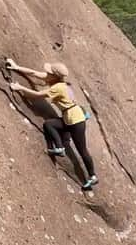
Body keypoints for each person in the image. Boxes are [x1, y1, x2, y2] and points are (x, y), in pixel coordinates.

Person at [6, 57, 98, 191]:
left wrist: (19, 87)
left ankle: (92, 176)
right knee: (49, 124)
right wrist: (16, 67)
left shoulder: (58, 88)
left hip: (76, 120)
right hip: (69, 118)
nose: (46, 73)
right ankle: (59, 148)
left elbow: (38, 95)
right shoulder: (57, 81)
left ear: (54, 76)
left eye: (49, 72)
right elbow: (34, 73)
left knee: (81, 150)